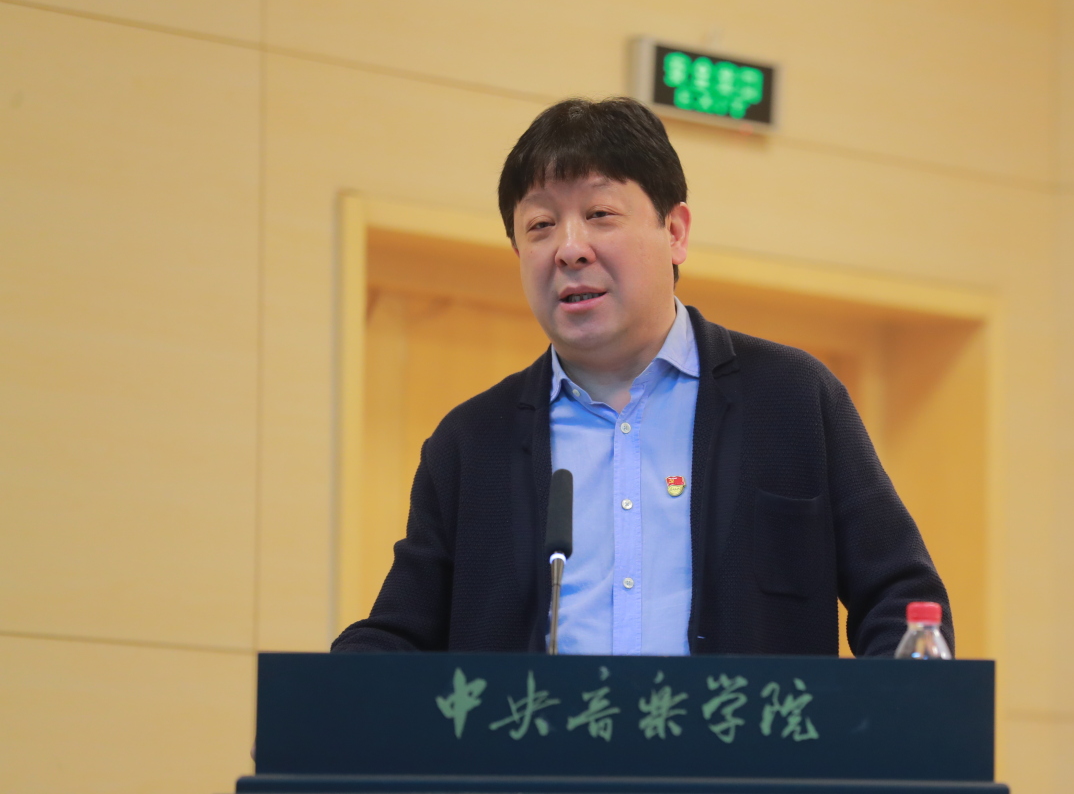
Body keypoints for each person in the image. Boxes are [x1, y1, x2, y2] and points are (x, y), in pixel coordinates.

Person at [333, 97, 952, 657]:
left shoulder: (792, 400)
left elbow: (901, 600)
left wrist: (885, 720)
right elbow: (402, 634)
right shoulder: (471, 443)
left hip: (741, 752)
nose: (569, 248)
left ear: (675, 232)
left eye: (599, 213)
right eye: (540, 226)